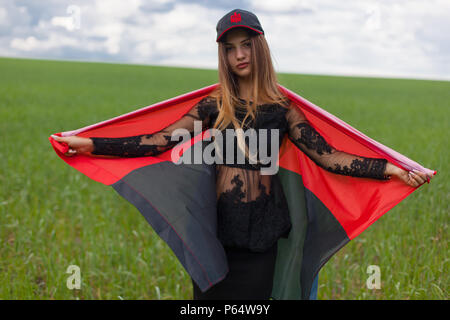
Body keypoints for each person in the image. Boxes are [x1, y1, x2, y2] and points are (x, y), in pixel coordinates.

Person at [51, 9, 433, 300]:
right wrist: (93, 144)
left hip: (264, 235)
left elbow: (328, 156)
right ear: (223, 55)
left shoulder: (283, 109)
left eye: (246, 44)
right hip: (218, 233)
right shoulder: (213, 106)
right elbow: (159, 141)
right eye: (230, 48)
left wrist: (391, 170)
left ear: (259, 47)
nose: (239, 54)